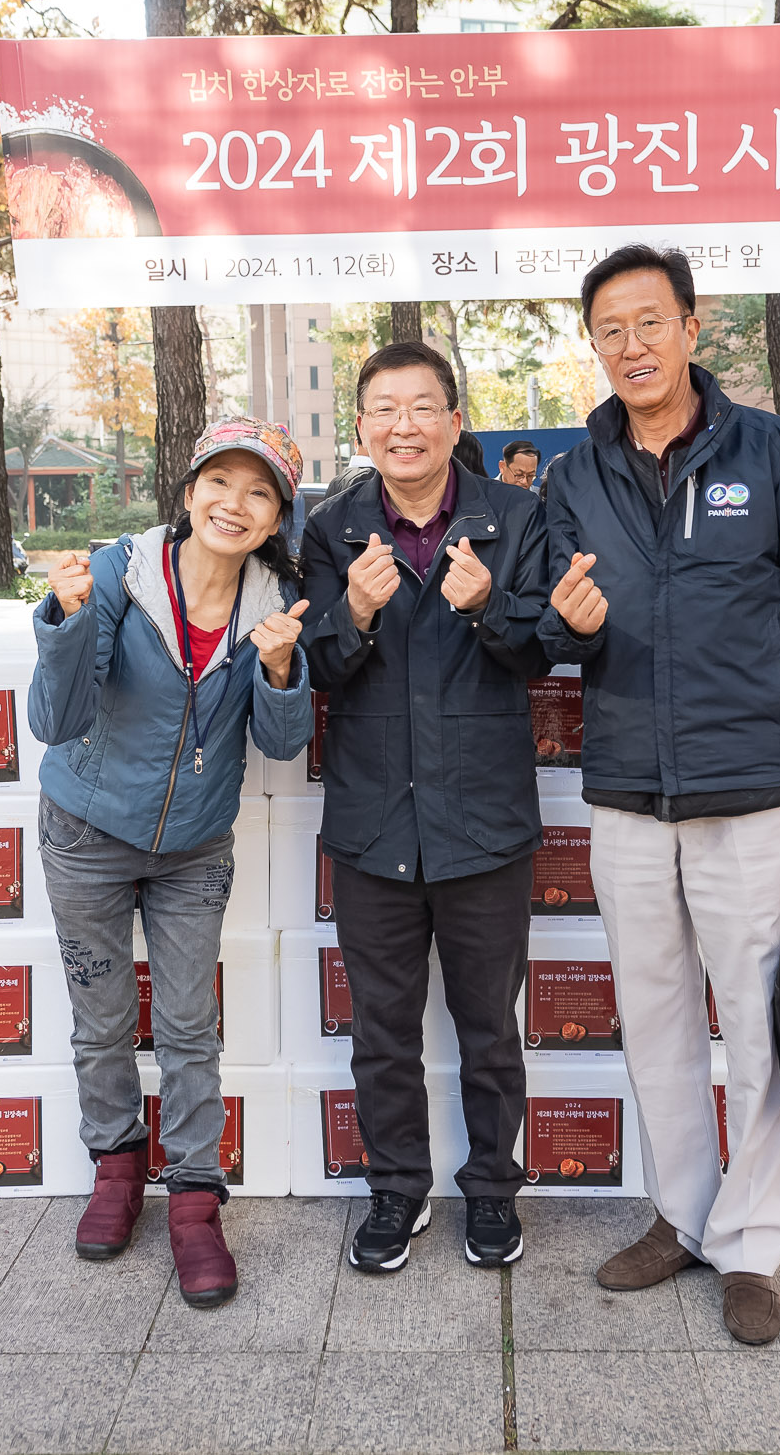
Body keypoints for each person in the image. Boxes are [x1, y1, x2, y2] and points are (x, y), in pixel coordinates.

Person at [536, 244, 780, 1347]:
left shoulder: (767, 450)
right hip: (628, 792)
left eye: (647, 321)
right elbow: (540, 621)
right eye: (608, 330)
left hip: (751, 792)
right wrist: (561, 624)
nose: (629, 346)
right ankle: (680, 1215)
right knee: (658, 1017)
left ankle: (752, 1244)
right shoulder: (573, 472)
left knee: (762, 1028)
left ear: (691, 326)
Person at [29, 418, 315, 1310]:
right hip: (86, 831)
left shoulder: (274, 603)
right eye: (220, 484)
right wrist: (70, 619)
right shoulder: (118, 574)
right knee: (102, 1014)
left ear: (276, 517)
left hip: (193, 847)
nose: (236, 504)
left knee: (189, 1023)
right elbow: (57, 717)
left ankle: (194, 1198)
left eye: (259, 492)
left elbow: (282, 740)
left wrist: (277, 670)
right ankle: (115, 1168)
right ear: (189, 493)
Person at [301, 342, 552, 1274]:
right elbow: (316, 668)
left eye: (422, 407)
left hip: (484, 822)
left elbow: (543, 653)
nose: (402, 425)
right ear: (362, 426)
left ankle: (491, 1191)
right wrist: (353, 617)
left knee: (490, 1026)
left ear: (454, 420)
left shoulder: (518, 516)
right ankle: (397, 1190)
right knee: (383, 1030)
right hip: (373, 826)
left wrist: (491, 606)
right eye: (383, 409)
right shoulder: (330, 530)